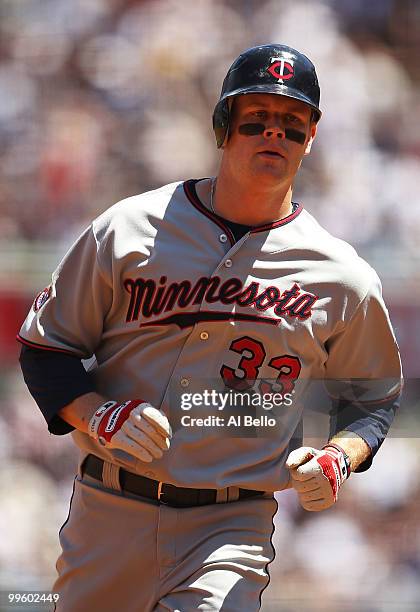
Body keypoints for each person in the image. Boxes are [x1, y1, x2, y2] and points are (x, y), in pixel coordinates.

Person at [18, 44, 402, 612]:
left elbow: (372, 398)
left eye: (293, 124)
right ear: (224, 127)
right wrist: (96, 413)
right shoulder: (129, 228)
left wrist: (338, 456)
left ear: (312, 138)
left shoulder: (341, 275)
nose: (274, 134)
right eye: (257, 119)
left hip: (231, 524)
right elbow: (45, 348)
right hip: (110, 509)